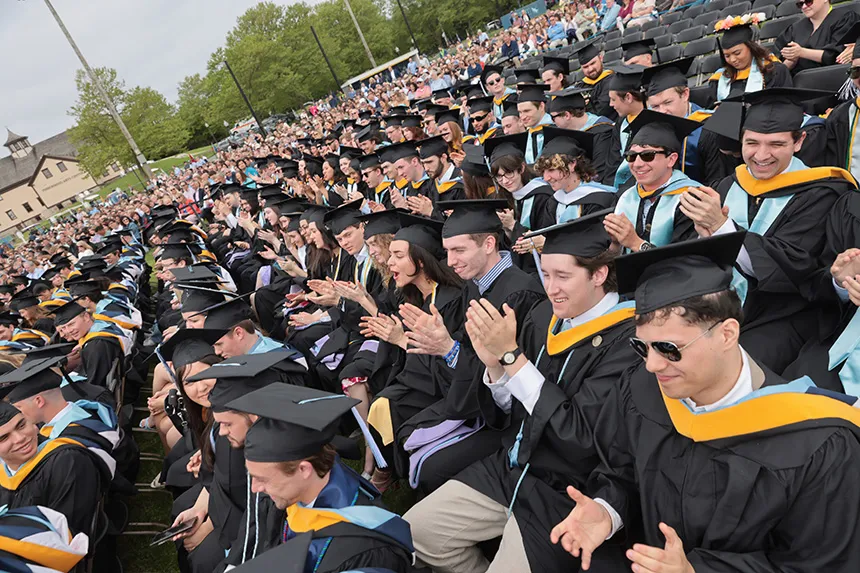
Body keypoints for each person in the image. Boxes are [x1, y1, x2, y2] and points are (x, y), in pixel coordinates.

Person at [550, 232, 860, 573]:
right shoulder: (641, 388)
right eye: (642, 347)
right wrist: (607, 510)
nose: (652, 365)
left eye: (669, 349)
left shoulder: (817, 443)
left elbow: (816, 565)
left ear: (727, 333)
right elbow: (621, 472)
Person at [406, 211, 638, 573]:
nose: (551, 287)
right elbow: (509, 409)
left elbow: (580, 437)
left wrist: (512, 358)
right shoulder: (543, 315)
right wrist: (495, 368)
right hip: (512, 466)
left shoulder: (628, 343)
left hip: (567, 490)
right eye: (546, 274)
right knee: (415, 532)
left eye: (563, 276)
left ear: (599, 274)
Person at [687, 88, 857, 374]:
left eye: (776, 144)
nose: (761, 155)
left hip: (784, 315)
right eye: (751, 142)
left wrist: (721, 228)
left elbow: (794, 269)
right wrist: (705, 239)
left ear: (799, 142)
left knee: (726, 370)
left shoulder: (821, 194)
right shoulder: (728, 185)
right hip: (718, 303)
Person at [393, 199, 546, 493]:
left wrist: (448, 349)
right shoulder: (475, 285)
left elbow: (509, 372)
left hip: (509, 416)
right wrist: (442, 345)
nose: (450, 261)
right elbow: (467, 349)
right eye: (448, 251)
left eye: (459, 250)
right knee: (409, 429)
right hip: (475, 396)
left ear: (488, 244)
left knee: (433, 467)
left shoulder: (520, 294)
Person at [223, 383, 416, 572]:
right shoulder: (294, 497)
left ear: (304, 470)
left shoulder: (365, 552)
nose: (255, 488)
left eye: (263, 479)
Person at [0, 400, 103, 537]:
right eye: (3, 438)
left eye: (21, 425)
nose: (19, 438)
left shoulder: (67, 462)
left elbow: (67, 533)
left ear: (32, 423)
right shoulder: (3, 475)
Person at [605, 110, 702, 251]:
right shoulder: (626, 196)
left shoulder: (691, 200)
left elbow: (683, 259)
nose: (637, 164)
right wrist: (615, 244)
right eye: (631, 156)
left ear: (671, 159)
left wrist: (636, 243)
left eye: (648, 155)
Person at [484, 133, 557, 274]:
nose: (505, 181)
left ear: (521, 168)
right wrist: (507, 229)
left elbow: (545, 240)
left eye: (509, 173)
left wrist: (513, 225)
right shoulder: (502, 198)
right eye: (499, 176)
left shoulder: (543, 197)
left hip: (540, 269)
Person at [534, 128, 617, 226]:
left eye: (551, 170)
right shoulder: (554, 202)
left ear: (572, 164)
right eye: (543, 172)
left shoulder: (599, 200)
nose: (546, 178)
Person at [708, 18, 792, 106]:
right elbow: (712, 107)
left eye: (737, 53)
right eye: (727, 56)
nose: (732, 59)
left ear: (751, 48)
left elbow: (783, 104)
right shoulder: (720, 78)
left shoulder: (773, 70)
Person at [547, 88, 615, 184]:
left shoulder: (603, 131)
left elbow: (599, 172)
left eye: (553, 117)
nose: (552, 122)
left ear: (567, 115)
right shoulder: (564, 132)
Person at [776, 0, 859, 75]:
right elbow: (779, 69)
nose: (804, 7)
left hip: (833, 77)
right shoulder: (794, 29)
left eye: (809, 2)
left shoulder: (844, 18)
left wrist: (801, 52)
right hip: (798, 81)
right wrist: (791, 61)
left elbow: (837, 57)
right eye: (800, 4)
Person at [604, 65, 647, 190]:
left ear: (628, 97)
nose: (611, 104)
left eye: (613, 99)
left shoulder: (653, 123)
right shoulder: (621, 122)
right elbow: (612, 162)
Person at [573, 40, 616, 121]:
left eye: (593, 63)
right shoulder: (579, 86)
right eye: (585, 67)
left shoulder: (612, 80)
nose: (590, 69)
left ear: (601, 58)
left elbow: (601, 111)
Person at [517, 84, 553, 164]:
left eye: (527, 111)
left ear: (541, 106)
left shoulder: (555, 131)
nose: (523, 117)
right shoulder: (527, 134)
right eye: (520, 112)